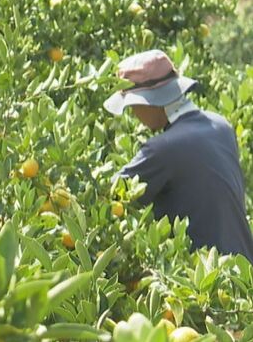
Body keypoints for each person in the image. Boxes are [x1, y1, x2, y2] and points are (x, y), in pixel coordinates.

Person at [104, 49, 253, 262]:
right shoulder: (222, 126)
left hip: (207, 280)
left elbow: (108, 196)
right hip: (244, 272)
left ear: (149, 101)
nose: (134, 114)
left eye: (133, 105)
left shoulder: (162, 148)